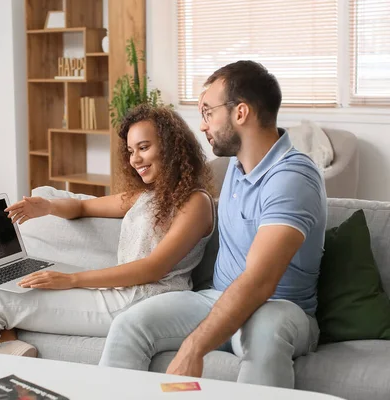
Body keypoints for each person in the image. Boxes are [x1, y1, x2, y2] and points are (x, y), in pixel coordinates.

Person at [98, 61, 327, 389]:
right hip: (217, 298)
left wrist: (194, 346)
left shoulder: (292, 178)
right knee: (129, 324)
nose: (202, 126)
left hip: (282, 309)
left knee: (264, 329)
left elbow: (259, 283)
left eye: (208, 112)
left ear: (240, 113)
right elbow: (159, 191)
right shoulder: (236, 166)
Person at [0, 104, 216, 357]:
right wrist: (47, 206)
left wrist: (72, 280)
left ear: (170, 147)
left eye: (144, 148)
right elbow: (81, 207)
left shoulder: (195, 202)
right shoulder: (146, 196)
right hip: (120, 294)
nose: (135, 159)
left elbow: (153, 268)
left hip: (145, 302)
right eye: (130, 151)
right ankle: (4, 354)